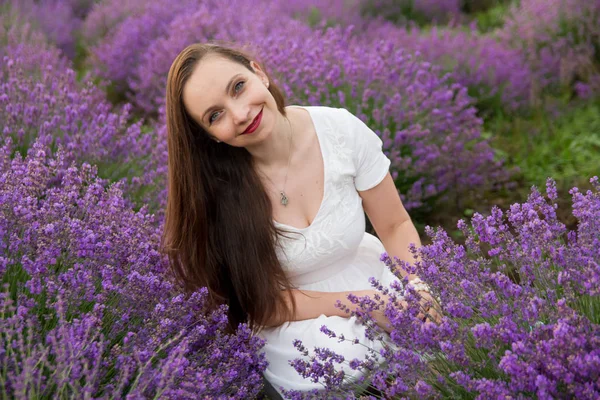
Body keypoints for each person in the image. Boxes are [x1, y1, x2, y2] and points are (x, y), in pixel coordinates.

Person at [161, 43, 441, 398]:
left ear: (258, 72)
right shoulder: (216, 192)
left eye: (238, 87)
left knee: (430, 333)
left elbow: (395, 226)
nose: (241, 113)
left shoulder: (339, 129)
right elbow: (261, 304)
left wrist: (419, 285)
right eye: (215, 116)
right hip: (294, 316)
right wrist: (365, 303)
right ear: (209, 136)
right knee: (341, 362)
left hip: (369, 271)